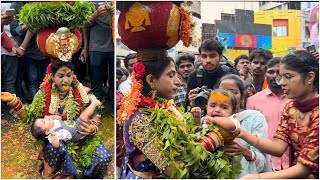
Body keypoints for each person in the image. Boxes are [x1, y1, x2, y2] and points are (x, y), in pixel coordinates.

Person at [117, 57, 241, 179]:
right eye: (171, 76)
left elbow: (186, 147)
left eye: (176, 75)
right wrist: (214, 139)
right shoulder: (139, 120)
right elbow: (175, 171)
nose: (178, 81)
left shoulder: (167, 107)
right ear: (151, 80)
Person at [1, 61, 111, 178]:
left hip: (80, 136)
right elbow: (31, 118)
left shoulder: (81, 90)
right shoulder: (43, 94)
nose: (65, 80)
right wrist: (14, 102)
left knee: (103, 156)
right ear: (52, 76)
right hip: (57, 141)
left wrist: (93, 126)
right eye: (60, 76)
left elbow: (97, 108)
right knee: (55, 148)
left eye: (69, 75)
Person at [238, 50, 319, 178]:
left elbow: (305, 168)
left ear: (310, 77)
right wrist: (239, 132)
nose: (281, 82)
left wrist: (259, 177)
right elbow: (278, 147)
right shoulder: (291, 107)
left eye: (288, 76)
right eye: (281, 77)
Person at [206, 74, 272, 177]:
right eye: (222, 91)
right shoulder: (206, 121)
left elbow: (261, 162)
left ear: (242, 97)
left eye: (233, 92)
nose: (226, 96)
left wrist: (245, 152)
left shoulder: (254, 118)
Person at [246, 57, 289, 170]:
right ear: (265, 74)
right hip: (265, 163)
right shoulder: (253, 101)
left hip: (292, 163)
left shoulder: (294, 99)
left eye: (279, 72)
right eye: (271, 72)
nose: (275, 75)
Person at [31, 94, 101, 148]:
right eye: (44, 121)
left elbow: (59, 117)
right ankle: (94, 103)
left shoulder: (53, 123)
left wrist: (50, 117)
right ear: (47, 131)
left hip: (74, 124)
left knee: (84, 115)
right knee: (83, 116)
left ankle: (95, 108)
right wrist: (52, 134)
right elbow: (56, 145)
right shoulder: (52, 134)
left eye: (43, 119)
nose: (45, 119)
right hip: (76, 132)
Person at [186, 39, 238, 108]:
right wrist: (192, 104)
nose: (208, 60)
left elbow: (238, 103)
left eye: (212, 56)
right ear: (200, 57)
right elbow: (186, 109)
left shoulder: (231, 75)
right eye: (204, 56)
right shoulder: (194, 77)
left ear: (220, 57)